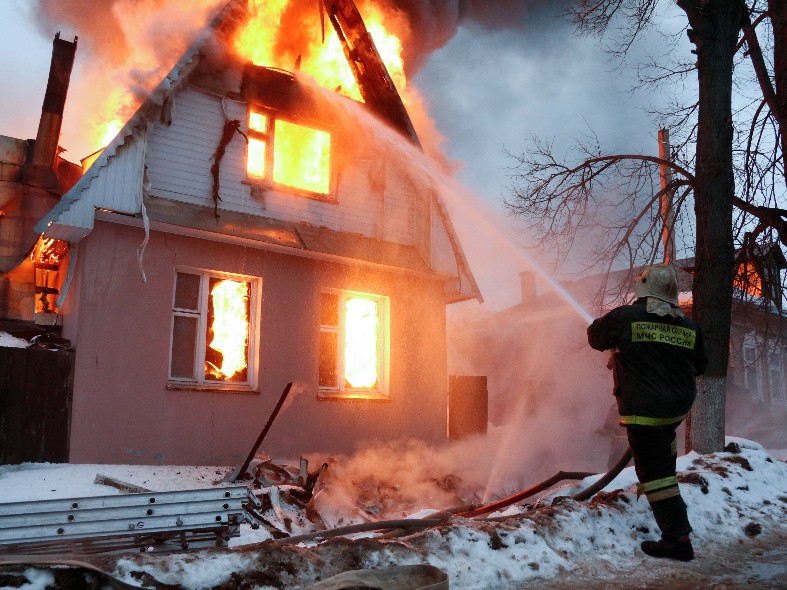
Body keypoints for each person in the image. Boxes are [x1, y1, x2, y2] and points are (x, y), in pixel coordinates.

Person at [587, 264, 707, 561]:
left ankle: (677, 539)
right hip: (675, 410)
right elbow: (700, 365)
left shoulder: (625, 317)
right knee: (661, 457)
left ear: (643, 288)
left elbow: (595, 337)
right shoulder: (689, 327)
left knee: (654, 475)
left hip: (645, 411)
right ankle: (672, 511)